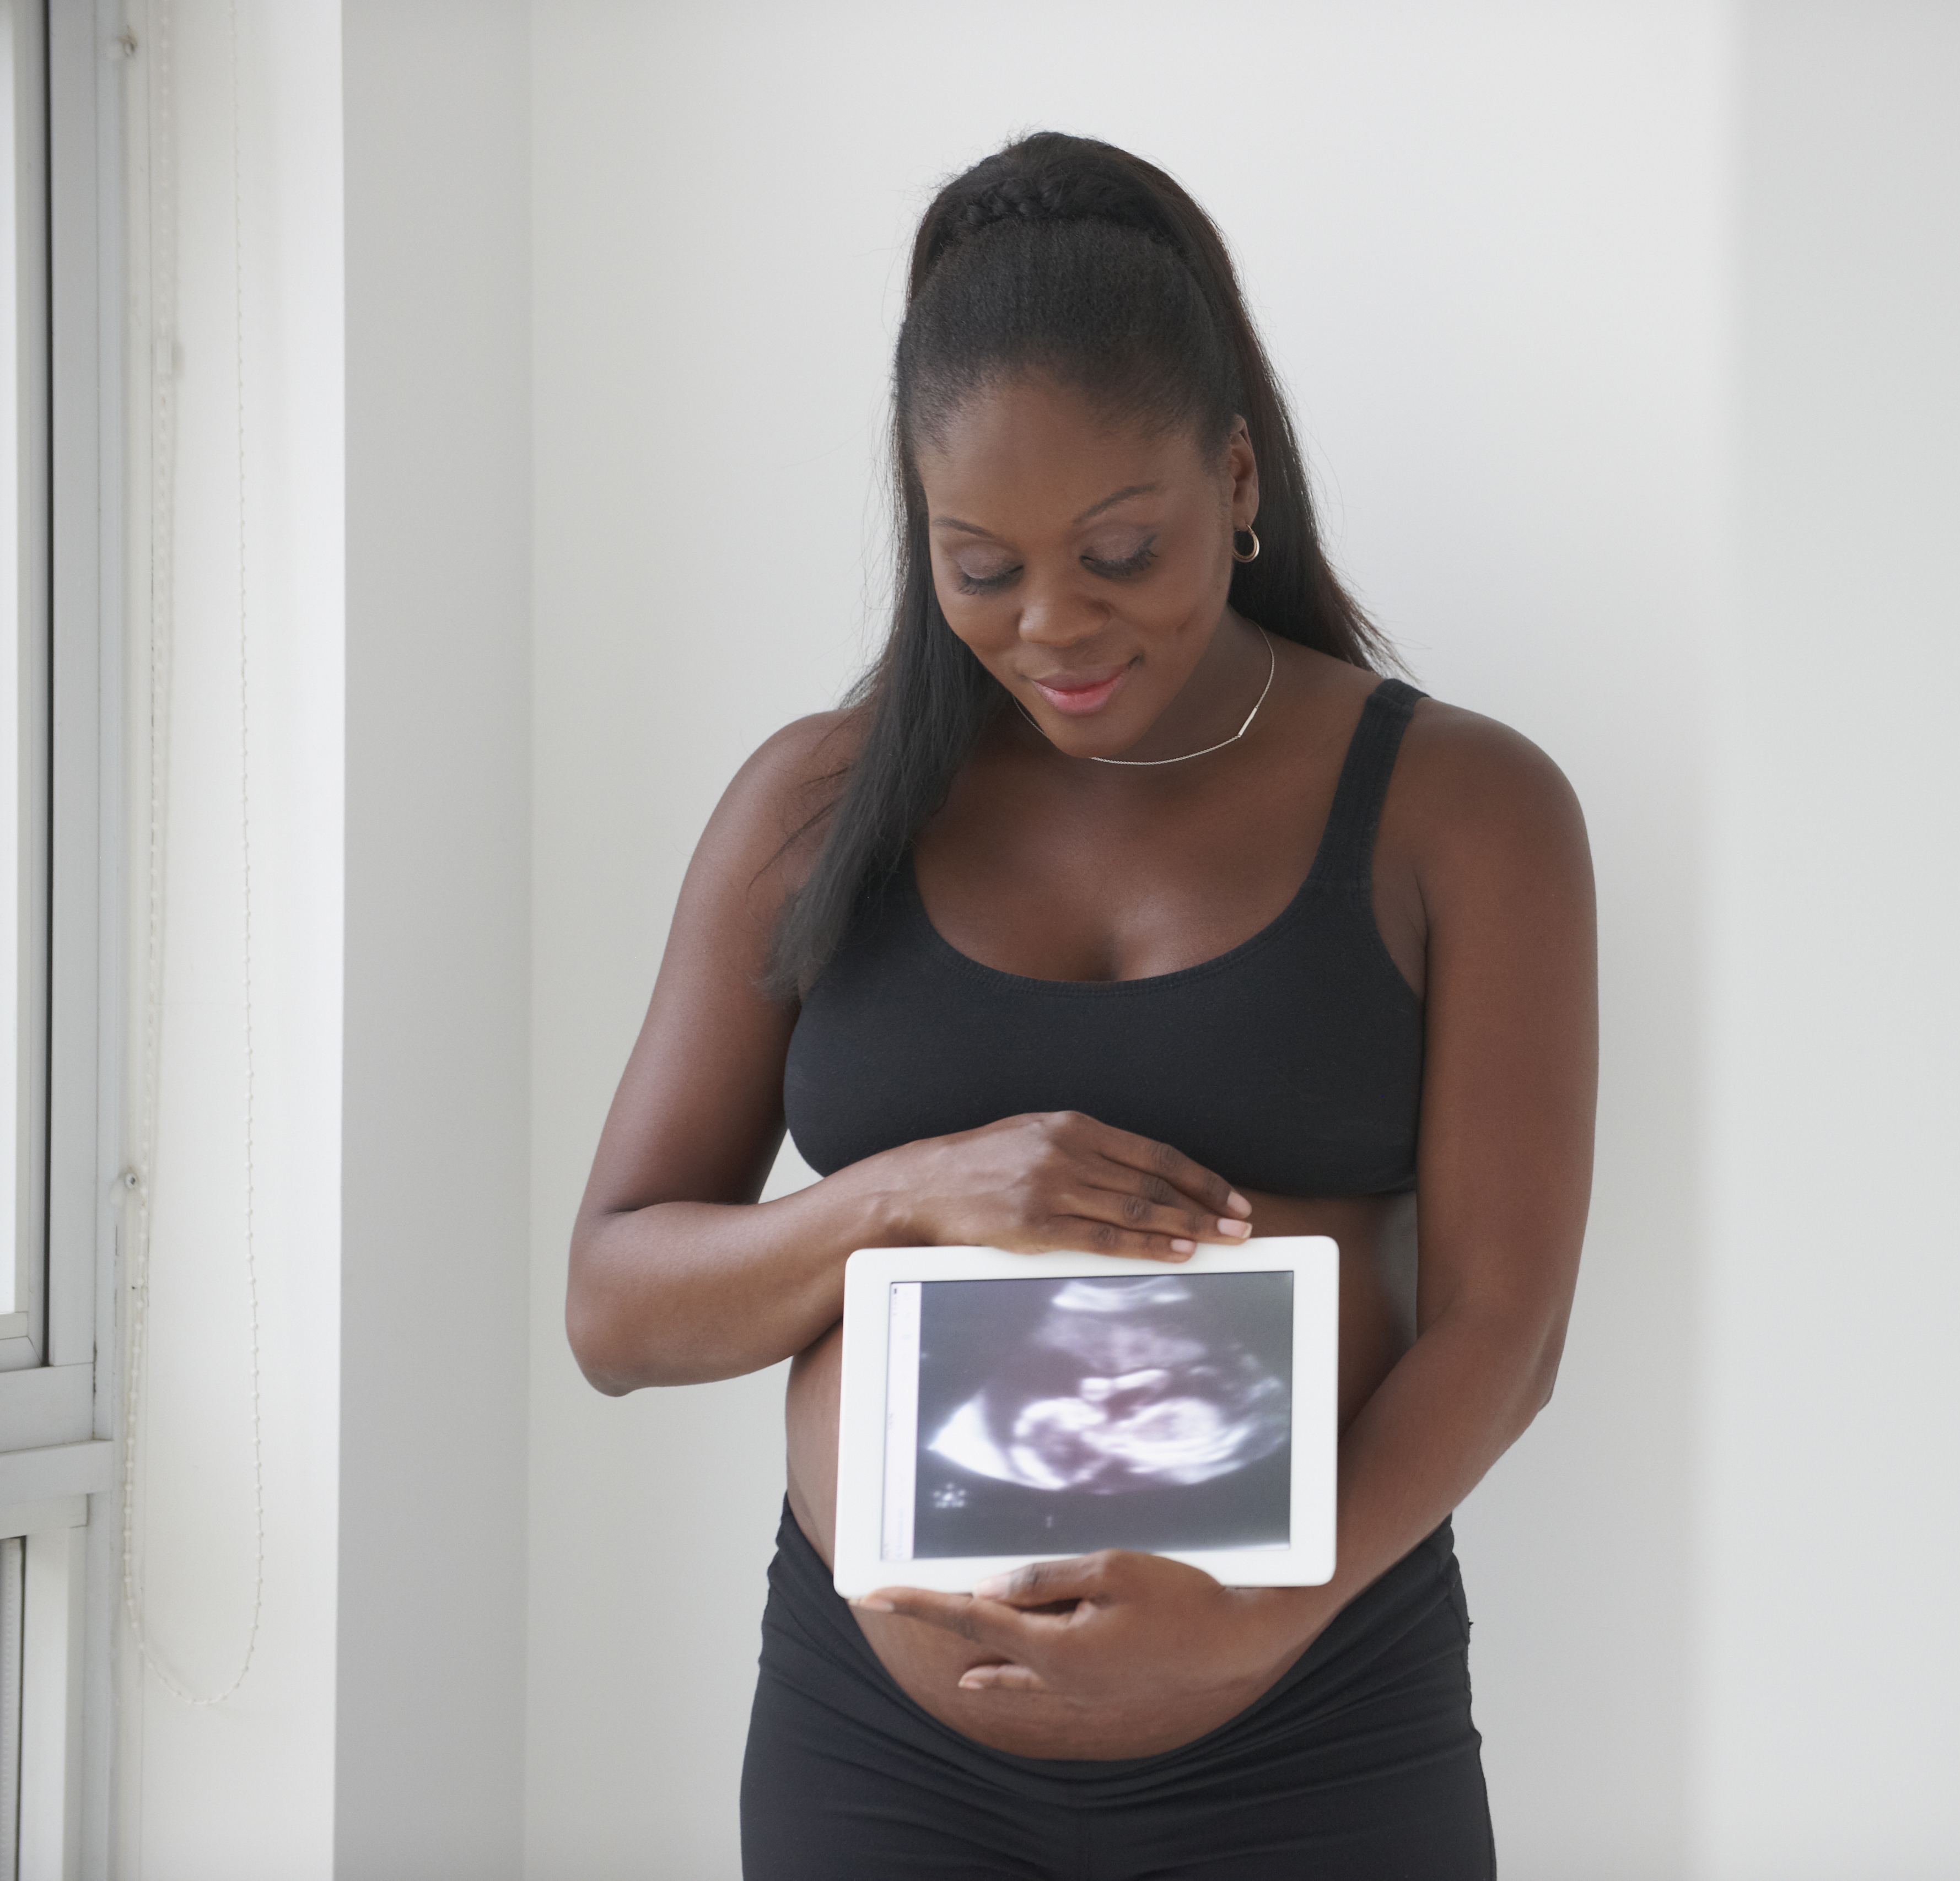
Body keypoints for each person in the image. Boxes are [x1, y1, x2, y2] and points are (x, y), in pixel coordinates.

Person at [564, 131, 1596, 1880]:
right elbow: (615, 1307)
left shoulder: (1462, 809)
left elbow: (1504, 1331)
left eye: (1123, 551)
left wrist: (1272, 1604)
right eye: (983, 567)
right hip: (874, 1754)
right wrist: (908, 1192)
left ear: (1239, 479)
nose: (1056, 625)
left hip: (1318, 1725)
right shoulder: (812, 809)